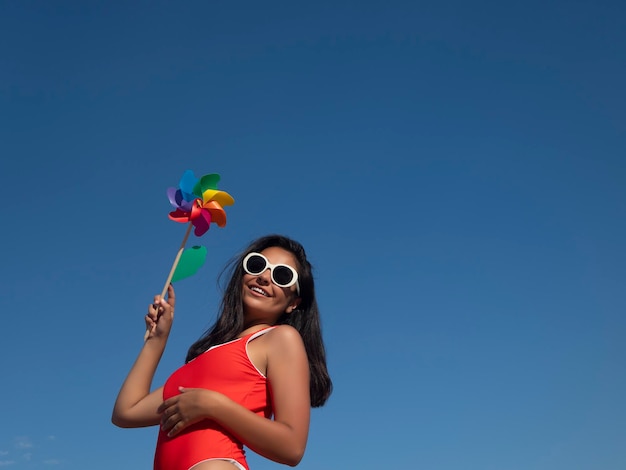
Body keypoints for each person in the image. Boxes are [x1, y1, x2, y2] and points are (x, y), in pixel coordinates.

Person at [112, 234, 332, 470]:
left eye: (282, 276)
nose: (265, 277)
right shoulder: (207, 355)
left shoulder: (281, 339)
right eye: (257, 265)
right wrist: (157, 340)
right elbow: (126, 412)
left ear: (293, 302)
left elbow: (292, 448)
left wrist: (212, 404)